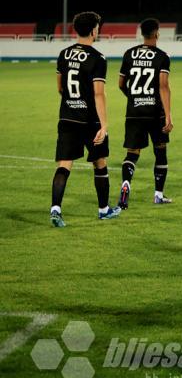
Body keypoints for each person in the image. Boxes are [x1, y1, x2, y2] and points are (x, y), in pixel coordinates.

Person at [50, 11, 120, 226]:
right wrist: (104, 124)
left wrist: (73, 102)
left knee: (64, 163)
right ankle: (103, 209)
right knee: (100, 162)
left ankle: (55, 209)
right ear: (92, 30)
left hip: (68, 117)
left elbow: (60, 87)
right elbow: (99, 93)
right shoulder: (98, 58)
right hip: (90, 120)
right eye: (97, 27)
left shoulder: (63, 54)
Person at [117, 18, 173, 208]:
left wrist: (133, 97)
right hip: (155, 112)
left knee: (132, 153)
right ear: (157, 33)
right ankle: (158, 194)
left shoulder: (129, 54)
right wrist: (168, 114)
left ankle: (126, 185)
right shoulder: (162, 56)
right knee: (161, 151)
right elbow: (163, 86)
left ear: (142, 33)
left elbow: (121, 84)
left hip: (134, 111)